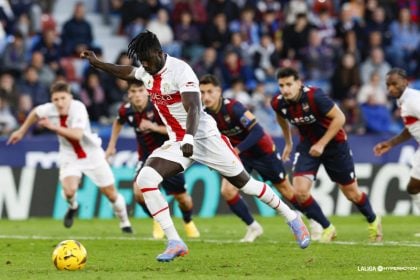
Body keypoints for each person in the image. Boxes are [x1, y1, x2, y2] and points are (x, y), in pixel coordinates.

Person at [81, 30, 310, 262]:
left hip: (204, 138)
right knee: (145, 180)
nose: (146, 67)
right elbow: (129, 72)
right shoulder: (147, 69)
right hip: (178, 142)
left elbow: (193, 107)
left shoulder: (180, 71)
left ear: (160, 53)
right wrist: (98, 63)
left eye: (149, 62)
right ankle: (175, 241)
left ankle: (292, 218)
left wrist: (190, 138)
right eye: (144, 64)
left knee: (246, 184)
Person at [200, 74, 325, 241]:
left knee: (286, 191)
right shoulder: (205, 115)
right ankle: (253, 227)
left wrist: (237, 149)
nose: (206, 97)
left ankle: (312, 220)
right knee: (228, 191)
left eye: (210, 92)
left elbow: (257, 131)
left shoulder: (233, 108)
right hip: (241, 156)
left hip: (263, 152)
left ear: (219, 91)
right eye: (202, 92)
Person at [271, 67, 383, 243]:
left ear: (298, 83)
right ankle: (327, 227)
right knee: (300, 192)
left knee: (351, 193)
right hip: (308, 146)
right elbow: (281, 118)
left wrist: (322, 143)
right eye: (281, 85)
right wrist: (288, 142)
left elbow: (340, 118)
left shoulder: (315, 96)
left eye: (289, 84)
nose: (285, 89)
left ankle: (373, 220)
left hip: (334, 145)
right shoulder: (278, 103)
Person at [7, 81, 132, 233]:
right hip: (69, 155)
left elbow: (77, 134)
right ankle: (73, 206)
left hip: (92, 154)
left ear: (70, 97)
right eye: (56, 99)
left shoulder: (78, 108)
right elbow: (34, 112)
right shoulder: (48, 109)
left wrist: (53, 127)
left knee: (111, 195)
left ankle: (124, 222)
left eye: (63, 98)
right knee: (69, 191)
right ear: (52, 100)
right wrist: (21, 131)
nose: (59, 103)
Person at [106, 79, 200, 239]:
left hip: (168, 155)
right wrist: (111, 145)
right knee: (138, 193)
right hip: (146, 157)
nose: (137, 95)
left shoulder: (158, 109)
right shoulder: (126, 111)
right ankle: (160, 221)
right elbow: (118, 122)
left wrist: (153, 127)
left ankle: (188, 220)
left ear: (147, 92)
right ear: (129, 94)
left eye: (140, 91)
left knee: (182, 199)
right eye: (133, 92)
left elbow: (177, 128)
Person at [374, 68, 420, 213]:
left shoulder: (413, 100)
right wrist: (391, 143)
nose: (391, 88)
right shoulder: (403, 101)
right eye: (388, 85)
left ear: (405, 82)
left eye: (394, 84)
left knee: (413, 187)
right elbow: (411, 128)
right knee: (413, 188)